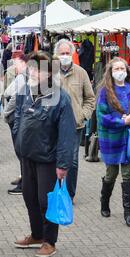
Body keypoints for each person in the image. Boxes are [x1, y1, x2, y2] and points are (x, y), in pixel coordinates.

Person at [12, 51, 76, 257]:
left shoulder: (61, 98)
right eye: (31, 67)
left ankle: (50, 241)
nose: (32, 72)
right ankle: (37, 235)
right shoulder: (25, 92)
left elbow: (67, 135)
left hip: (48, 159)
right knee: (29, 197)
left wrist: (63, 164)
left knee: (45, 200)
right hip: (27, 156)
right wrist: (18, 146)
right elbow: (18, 119)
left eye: (38, 69)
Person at [96, 57, 130, 228]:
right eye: (116, 69)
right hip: (111, 139)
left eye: (122, 68)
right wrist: (121, 122)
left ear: (127, 71)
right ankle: (104, 202)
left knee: (128, 175)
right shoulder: (105, 91)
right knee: (111, 173)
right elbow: (102, 117)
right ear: (110, 73)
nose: (120, 72)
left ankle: (129, 213)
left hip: (129, 140)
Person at [55, 39, 95, 202]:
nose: (65, 56)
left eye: (67, 53)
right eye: (61, 53)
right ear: (56, 55)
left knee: (72, 161)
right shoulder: (49, 72)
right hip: (53, 125)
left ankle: (69, 194)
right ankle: (55, 191)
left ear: (72, 54)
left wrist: (83, 115)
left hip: (75, 125)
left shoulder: (81, 72)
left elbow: (90, 99)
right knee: (53, 159)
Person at [4, 53, 28, 195]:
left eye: (17, 63)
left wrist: (6, 113)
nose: (14, 66)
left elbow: (13, 97)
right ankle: (23, 178)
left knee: (21, 151)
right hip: (19, 116)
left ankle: (24, 183)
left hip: (16, 117)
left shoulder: (23, 77)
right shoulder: (23, 76)